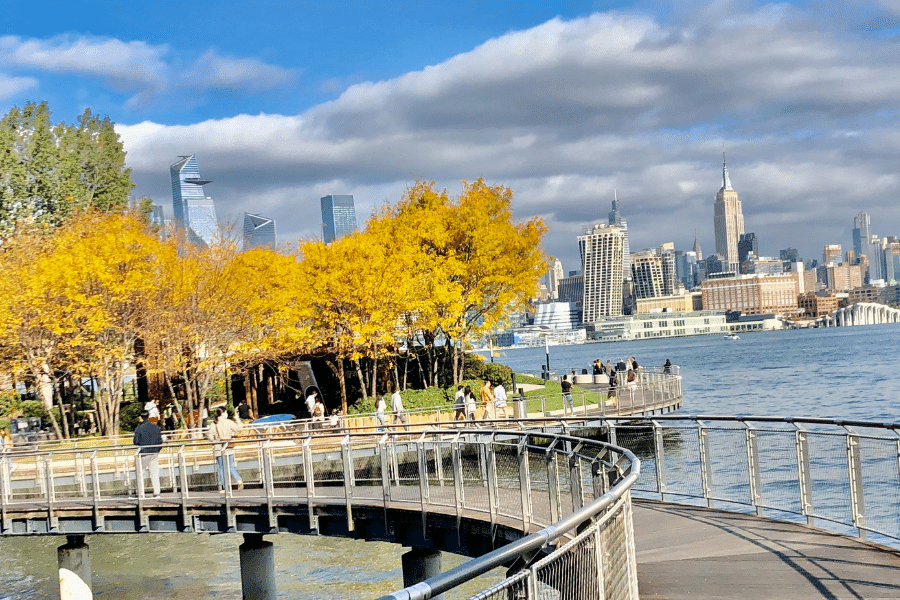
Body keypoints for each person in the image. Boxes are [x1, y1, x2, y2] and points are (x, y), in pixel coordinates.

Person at [208, 408, 244, 493]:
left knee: (221, 468)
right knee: (230, 466)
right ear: (223, 413)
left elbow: (209, 435)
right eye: (226, 412)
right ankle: (239, 480)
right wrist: (237, 418)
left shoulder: (214, 423)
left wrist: (214, 442)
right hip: (228, 446)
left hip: (218, 447)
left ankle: (225, 487)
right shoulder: (228, 422)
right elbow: (239, 428)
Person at [133, 410, 163, 498]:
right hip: (155, 452)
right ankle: (157, 492)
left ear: (141, 417)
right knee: (154, 472)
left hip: (144, 453)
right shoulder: (156, 427)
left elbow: (136, 441)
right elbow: (160, 440)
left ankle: (140, 492)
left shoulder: (139, 428)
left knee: (140, 472)